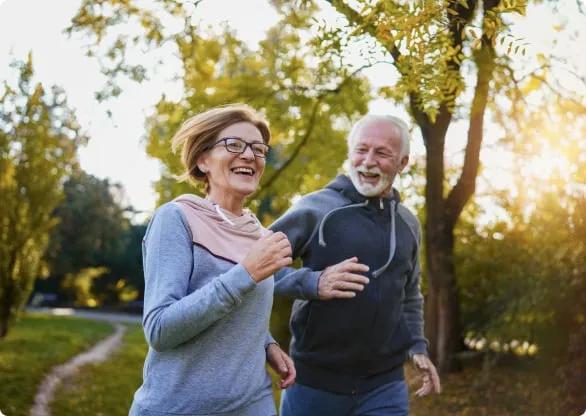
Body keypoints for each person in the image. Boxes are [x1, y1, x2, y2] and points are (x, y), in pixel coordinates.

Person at [129, 104, 296, 416]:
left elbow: (241, 312)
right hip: (178, 408)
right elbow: (160, 329)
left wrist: (266, 344)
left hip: (253, 405)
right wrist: (245, 273)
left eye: (258, 149)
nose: (250, 155)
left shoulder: (260, 235)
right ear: (203, 160)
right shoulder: (177, 219)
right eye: (234, 145)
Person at [271, 114, 441, 415]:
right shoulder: (316, 208)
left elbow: (410, 294)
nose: (368, 161)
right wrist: (312, 283)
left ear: (402, 163)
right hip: (314, 384)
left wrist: (417, 346)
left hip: (385, 386)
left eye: (382, 153)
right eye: (361, 150)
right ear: (350, 154)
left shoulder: (408, 224)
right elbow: (256, 268)